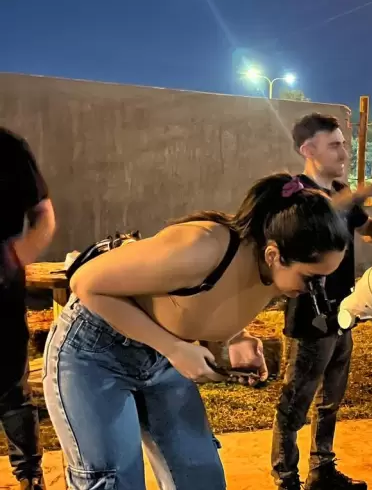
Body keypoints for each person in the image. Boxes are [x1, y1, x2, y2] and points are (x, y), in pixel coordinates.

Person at [43, 172, 350, 490]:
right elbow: (85, 283)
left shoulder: (276, 274)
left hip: (161, 353)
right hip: (93, 352)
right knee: (114, 481)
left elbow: (197, 302)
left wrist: (235, 339)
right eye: (313, 278)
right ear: (274, 255)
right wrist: (174, 349)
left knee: (200, 478)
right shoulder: (202, 247)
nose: (318, 288)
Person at [271, 113, 372, 490]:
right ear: (307, 150)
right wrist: (360, 193)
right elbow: (326, 211)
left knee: (330, 400)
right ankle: (286, 479)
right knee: (295, 403)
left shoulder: (341, 192)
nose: (343, 151)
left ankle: (321, 470)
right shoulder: (294, 194)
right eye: (334, 144)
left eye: (343, 143)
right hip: (309, 316)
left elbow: (366, 233)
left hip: (344, 312)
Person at [0, 128, 56, 490]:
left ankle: (30, 476)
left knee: (11, 390)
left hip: (1, 295)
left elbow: (44, 214)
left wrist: (19, 255)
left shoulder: (7, 148)